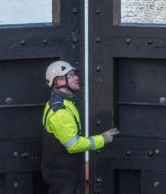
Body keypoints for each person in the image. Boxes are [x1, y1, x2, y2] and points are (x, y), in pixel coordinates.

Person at [41, 60, 119, 194]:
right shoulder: (60, 112)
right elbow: (73, 145)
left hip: (65, 172)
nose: (77, 77)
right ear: (59, 81)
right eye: (71, 75)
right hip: (61, 176)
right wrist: (102, 139)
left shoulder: (65, 102)